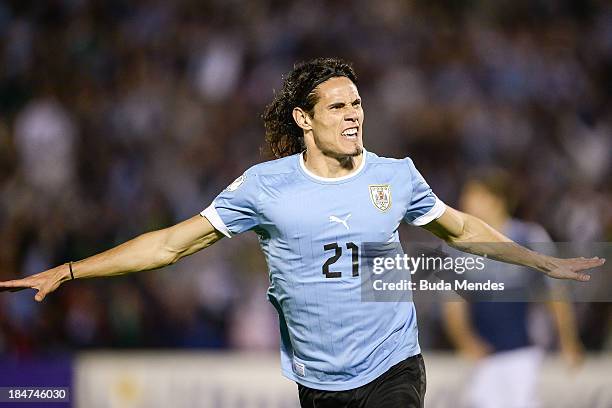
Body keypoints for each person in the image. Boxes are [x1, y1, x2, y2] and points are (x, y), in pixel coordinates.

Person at [0, 58, 605, 408]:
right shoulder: (264, 188)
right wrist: (71, 269)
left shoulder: (396, 175)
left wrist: (540, 262)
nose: (354, 114)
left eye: (358, 103)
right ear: (304, 120)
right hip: (318, 382)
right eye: (338, 106)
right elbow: (169, 244)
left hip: (393, 364)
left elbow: (463, 229)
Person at [443, 171, 584, 408]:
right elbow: (452, 304)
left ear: (497, 200)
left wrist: (568, 340)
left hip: (524, 352)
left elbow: (554, 294)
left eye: (475, 195)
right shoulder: (457, 247)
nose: (466, 202)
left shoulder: (528, 238)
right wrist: (466, 341)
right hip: (484, 357)